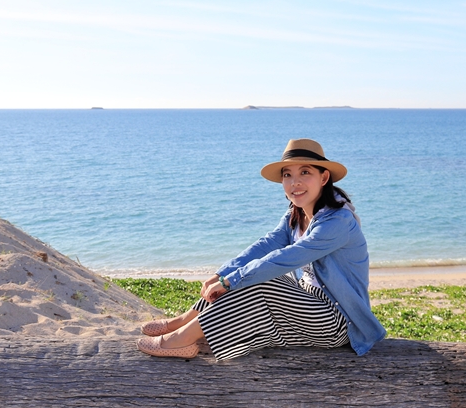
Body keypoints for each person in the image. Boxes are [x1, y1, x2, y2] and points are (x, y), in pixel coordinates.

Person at [137, 138, 386, 360]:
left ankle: (180, 339)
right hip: (307, 304)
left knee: (262, 279)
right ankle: (184, 322)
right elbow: (267, 244)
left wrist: (231, 280)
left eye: (305, 172)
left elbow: (287, 257)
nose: (294, 182)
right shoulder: (297, 213)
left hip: (339, 320)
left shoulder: (338, 221)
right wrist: (222, 273)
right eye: (287, 175)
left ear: (323, 177)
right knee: (251, 275)